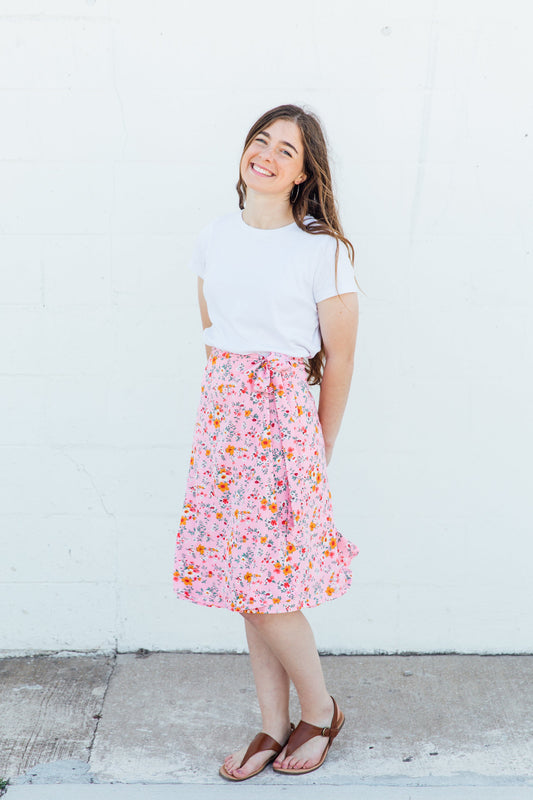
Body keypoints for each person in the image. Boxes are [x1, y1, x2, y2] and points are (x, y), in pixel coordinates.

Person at [173, 103, 361, 781]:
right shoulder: (215, 236)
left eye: (287, 149)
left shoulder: (321, 251)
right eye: (261, 141)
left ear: (304, 173)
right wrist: (229, 419)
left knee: (268, 589)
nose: (269, 155)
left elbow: (337, 358)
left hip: (284, 430)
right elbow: (214, 333)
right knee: (244, 583)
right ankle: (271, 724)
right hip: (224, 426)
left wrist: (320, 444)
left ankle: (320, 711)